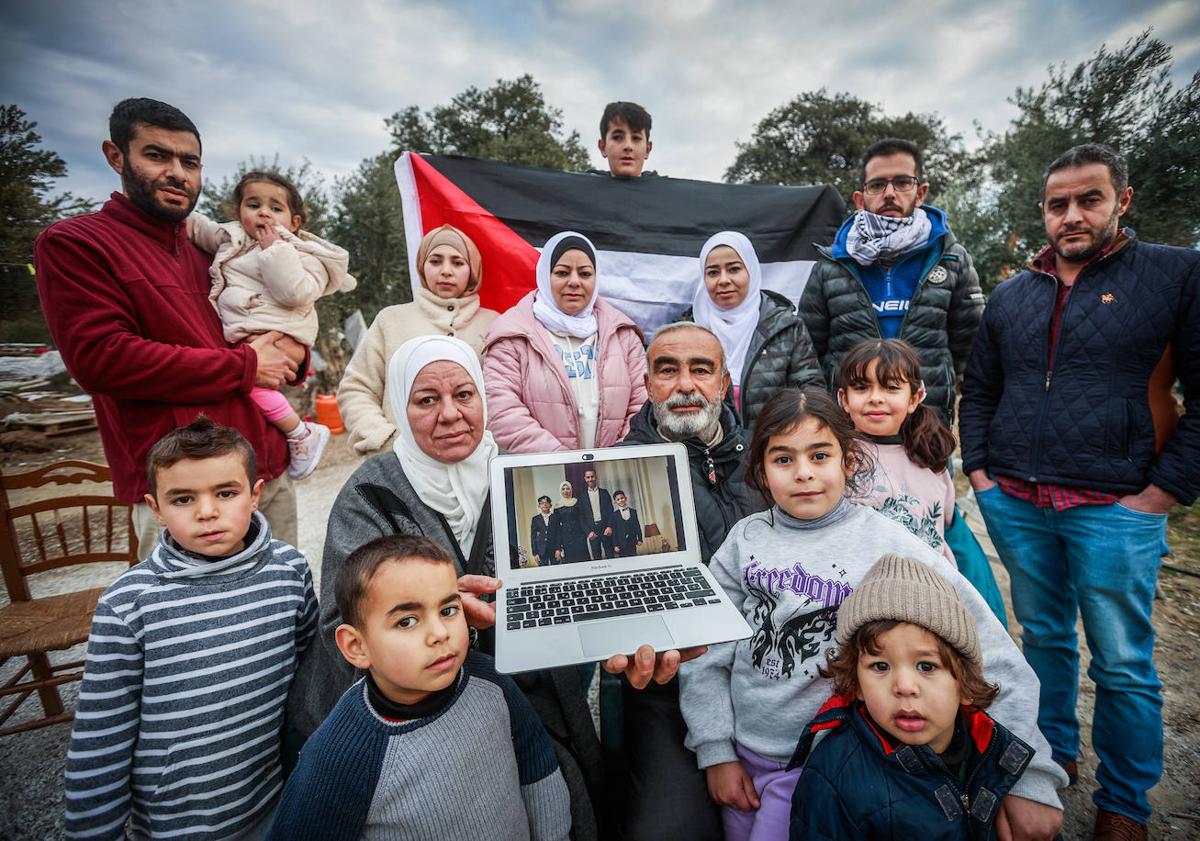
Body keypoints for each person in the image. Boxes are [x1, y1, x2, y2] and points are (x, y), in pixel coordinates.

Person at [288, 335, 669, 841]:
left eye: (464, 395)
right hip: (412, 717)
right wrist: (435, 610)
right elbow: (343, 623)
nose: (451, 414)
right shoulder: (369, 494)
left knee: (560, 806)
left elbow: (563, 574)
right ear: (400, 407)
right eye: (427, 400)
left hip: (524, 698)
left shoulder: (516, 474)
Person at [678, 387, 1066, 841]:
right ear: (761, 471)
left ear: (848, 461)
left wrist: (1032, 775)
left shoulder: (888, 544)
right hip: (745, 755)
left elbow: (989, 648)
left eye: (820, 456)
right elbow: (706, 652)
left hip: (830, 763)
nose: (803, 473)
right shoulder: (744, 540)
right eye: (783, 459)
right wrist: (717, 751)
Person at [960, 143, 1199, 841]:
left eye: (1088, 199)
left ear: (1122, 200)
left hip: (1117, 507)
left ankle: (1125, 803)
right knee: (1045, 639)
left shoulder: (1176, 275)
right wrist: (981, 473)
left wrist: (1161, 493)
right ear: (1042, 210)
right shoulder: (1012, 294)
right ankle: (1052, 758)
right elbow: (980, 389)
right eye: (1058, 203)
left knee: (1123, 660)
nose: (1072, 215)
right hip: (1016, 501)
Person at [33, 97, 306, 556]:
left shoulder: (217, 252)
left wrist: (293, 356)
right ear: (116, 156)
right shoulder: (77, 243)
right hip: (182, 491)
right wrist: (246, 366)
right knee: (191, 626)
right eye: (157, 155)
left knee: (285, 612)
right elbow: (103, 359)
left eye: (190, 161)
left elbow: (271, 323)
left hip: (264, 474)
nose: (177, 173)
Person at [64, 417, 317, 840]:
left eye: (225, 492)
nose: (207, 512)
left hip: (275, 802)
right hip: (177, 823)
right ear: (156, 509)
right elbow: (100, 740)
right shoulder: (128, 604)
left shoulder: (288, 570)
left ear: (254, 495)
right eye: (183, 499)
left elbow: (310, 674)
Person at [270, 534, 571, 841]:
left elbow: (536, 763)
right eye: (407, 621)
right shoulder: (337, 757)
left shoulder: (492, 681)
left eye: (448, 610)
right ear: (356, 646)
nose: (440, 633)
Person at [612, 322, 761, 841]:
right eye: (667, 370)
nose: (684, 385)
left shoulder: (772, 459)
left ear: (723, 383)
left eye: (701, 369)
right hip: (668, 685)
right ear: (648, 382)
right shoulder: (618, 471)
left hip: (770, 675)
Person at [787, 554, 1033, 840]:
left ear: (965, 685)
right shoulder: (833, 778)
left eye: (926, 666)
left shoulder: (994, 752)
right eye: (880, 666)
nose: (904, 686)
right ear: (856, 685)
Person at [799, 138, 985, 428]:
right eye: (877, 185)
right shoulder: (830, 265)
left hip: (927, 426)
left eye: (902, 182)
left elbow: (969, 347)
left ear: (920, 192)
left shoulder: (951, 259)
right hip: (849, 430)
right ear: (860, 199)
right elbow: (809, 352)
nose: (889, 194)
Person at [187, 170, 357, 479]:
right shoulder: (233, 237)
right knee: (245, 385)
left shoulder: (304, 255)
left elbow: (296, 293)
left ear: (295, 222)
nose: (264, 212)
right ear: (240, 213)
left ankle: (301, 432)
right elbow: (200, 229)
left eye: (275, 208)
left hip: (279, 335)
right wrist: (179, 217)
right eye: (253, 204)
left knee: (252, 387)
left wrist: (275, 251)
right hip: (247, 333)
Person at [338, 224, 498, 454]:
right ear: (422, 267)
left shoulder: (494, 324)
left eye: (457, 262)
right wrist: (385, 440)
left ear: (472, 270)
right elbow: (356, 388)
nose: (446, 271)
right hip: (400, 466)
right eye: (435, 261)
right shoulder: (390, 320)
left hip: (479, 463)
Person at [484, 231, 647, 453]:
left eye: (585, 273)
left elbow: (642, 405)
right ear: (544, 276)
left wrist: (613, 461)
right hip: (543, 475)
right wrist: (563, 462)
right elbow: (502, 412)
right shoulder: (512, 335)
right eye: (562, 273)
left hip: (615, 473)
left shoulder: (623, 334)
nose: (574, 282)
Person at [682, 231, 823, 431]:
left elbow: (811, 393)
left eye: (734, 269)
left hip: (772, 448)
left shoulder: (785, 327)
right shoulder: (686, 332)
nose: (723, 280)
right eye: (713, 272)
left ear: (752, 271)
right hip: (706, 452)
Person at [595, 101, 654, 178]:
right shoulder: (580, 188)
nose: (628, 146)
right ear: (603, 147)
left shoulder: (666, 189)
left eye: (636, 138)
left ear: (647, 149)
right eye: (617, 137)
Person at [578, 467, 616, 559]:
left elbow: (611, 511)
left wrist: (609, 526)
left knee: (610, 556)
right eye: (588, 477)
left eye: (592, 476)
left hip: (605, 528)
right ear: (585, 479)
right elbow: (581, 517)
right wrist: (588, 532)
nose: (590, 479)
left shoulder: (604, 493)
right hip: (592, 531)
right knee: (597, 558)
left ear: (596, 477)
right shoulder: (582, 496)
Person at [554, 480, 591, 563]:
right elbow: (557, 527)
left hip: (579, 535)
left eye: (567, 488)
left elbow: (582, 519)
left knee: (583, 559)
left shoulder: (577, 502)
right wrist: (558, 547)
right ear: (560, 491)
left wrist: (587, 532)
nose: (565, 491)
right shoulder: (557, 506)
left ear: (571, 490)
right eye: (563, 489)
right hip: (566, 538)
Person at [609, 490, 643, 557]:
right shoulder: (614, 515)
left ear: (626, 498)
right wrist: (615, 545)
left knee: (634, 558)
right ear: (615, 502)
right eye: (618, 499)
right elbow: (614, 531)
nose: (621, 500)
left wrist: (640, 539)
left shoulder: (633, 512)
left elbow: (637, 526)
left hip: (632, 541)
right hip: (621, 543)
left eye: (622, 498)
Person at [531, 494, 558, 566]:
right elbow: (533, 537)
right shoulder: (535, 519)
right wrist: (535, 553)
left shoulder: (555, 517)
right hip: (541, 550)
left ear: (550, 505)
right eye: (542, 503)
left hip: (553, 549)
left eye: (547, 502)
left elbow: (559, 534)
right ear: (539, 506)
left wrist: (558, 549)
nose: (544, 505)